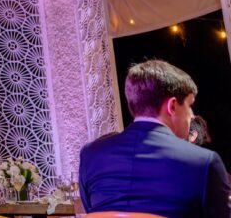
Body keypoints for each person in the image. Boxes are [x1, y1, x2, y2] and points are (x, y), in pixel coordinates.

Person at [79, 60, 230, 218]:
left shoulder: (91, 155)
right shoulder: (204, 162)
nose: (192, 115)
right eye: (189, 105)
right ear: (172, 106)